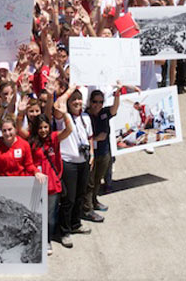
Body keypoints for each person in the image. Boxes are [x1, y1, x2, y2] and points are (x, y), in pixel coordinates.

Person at [28, 108, 73, 255]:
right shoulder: (32, 141)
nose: (43, 130)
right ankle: (35, 239)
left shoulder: (54, 137)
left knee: (50, 214)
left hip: (52, 183)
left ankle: (47, 239)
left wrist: (65, 113)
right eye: (40, 127)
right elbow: (29, 162)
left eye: (45, 127)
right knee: (35, 212)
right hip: (36, 183)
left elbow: (69, 130)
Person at [57, 90, 93, 248]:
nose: (77, 102)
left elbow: (89, 137)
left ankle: (75, 223)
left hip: (83, 161)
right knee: (68, 198)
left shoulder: (85, 117)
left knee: (80, 195)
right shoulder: (62, 118)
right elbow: (59, 105)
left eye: (79, 99)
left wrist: (92, 153)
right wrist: (71, 88)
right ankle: (64, 231)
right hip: (68, 162)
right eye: (74, 100)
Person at [82, 87, 120, 222]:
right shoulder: (85, 115)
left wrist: (117, 94)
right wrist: (97, 138)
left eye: (100, 102)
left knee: (98, 180)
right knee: (89, 183)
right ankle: (87, 209)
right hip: (91, 154)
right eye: (95, 102)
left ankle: (94, 201)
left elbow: (115, 109)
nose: (97, 105)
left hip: (104, 152)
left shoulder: (104, 112)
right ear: (90, 102)